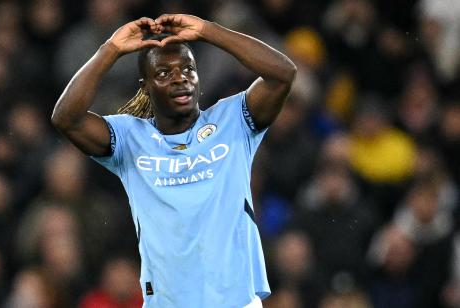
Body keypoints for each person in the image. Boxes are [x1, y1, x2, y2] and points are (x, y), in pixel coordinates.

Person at [51, 14, 296, 307]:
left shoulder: (233, 120)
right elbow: (66, 118)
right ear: (146, 86)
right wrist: (111, 49)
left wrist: (208, 31)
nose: (180, 78)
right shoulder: (129, 137)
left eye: (188, 69)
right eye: (164, 73)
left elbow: (283, 73)